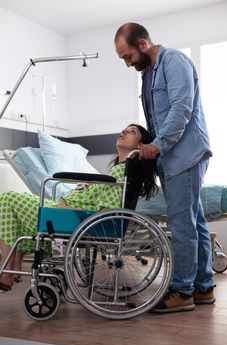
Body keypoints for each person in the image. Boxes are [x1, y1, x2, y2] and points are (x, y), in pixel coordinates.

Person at [114, 23, 215, 313]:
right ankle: (202, 287)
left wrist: (158, 145)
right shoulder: (147, 74)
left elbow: (181, 108)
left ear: (143, 44)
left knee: (181, 223)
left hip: (185, 154)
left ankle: (183, 291)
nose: (127, 63)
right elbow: (157, 119)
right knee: (193, 221)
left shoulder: (174, 61)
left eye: (127, 56)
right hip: (171, 158)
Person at [0, 124, 157, 292]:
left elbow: (104, 212)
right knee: (17, 205)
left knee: (8, 199)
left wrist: (68, 209)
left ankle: (6, 269)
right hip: (71, 214)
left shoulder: (119, 173)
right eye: (125, 129)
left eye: (132, 132)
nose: (124, 131)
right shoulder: (118, 171)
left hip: (73, 219)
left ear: (141, 146)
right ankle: (13, 266)